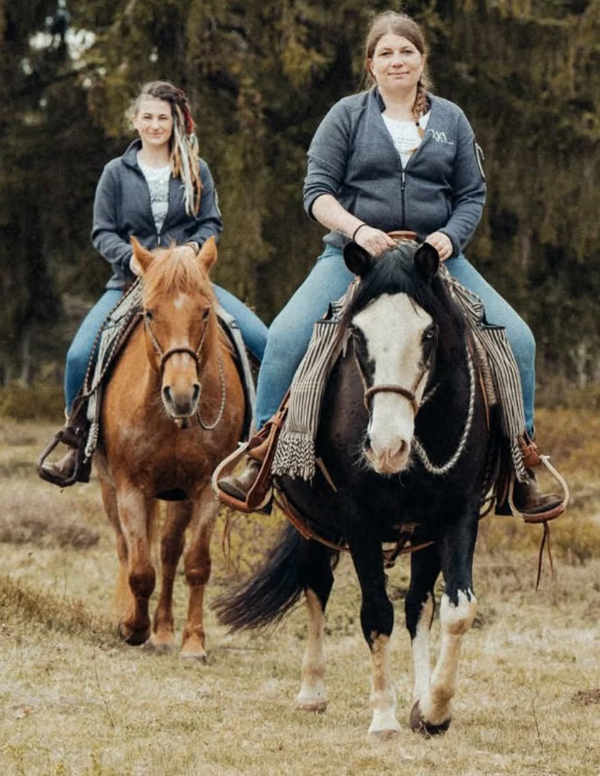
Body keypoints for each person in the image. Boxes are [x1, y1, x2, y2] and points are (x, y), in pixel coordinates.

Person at [218, 10, 562, 519]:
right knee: (287, 336)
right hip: (356, 257)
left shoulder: (451, 120)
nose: (397, 61)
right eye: (386, 53)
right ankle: (261, 455)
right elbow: (317, 193)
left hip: (431, 260)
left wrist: (449, 237)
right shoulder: (345, 116)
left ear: (422, 60)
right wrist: (358, 231)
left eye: (406, 51)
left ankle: (522, 464)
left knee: (520, 340)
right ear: (371, 64)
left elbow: (471, 194)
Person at [40, 80, 268, 485]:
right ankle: (77, 441)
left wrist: (190, 253)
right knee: (78, 355)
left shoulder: (196, 169)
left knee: (261, 339)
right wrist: (130, 258)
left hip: (188, 284)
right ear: (135, 121)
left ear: (175, 122)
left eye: (163, 117)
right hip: (130, 283)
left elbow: (210, 223)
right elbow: (102, 231)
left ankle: (260, 441)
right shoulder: (115, 173)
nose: (155, 124)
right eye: (147, 117)